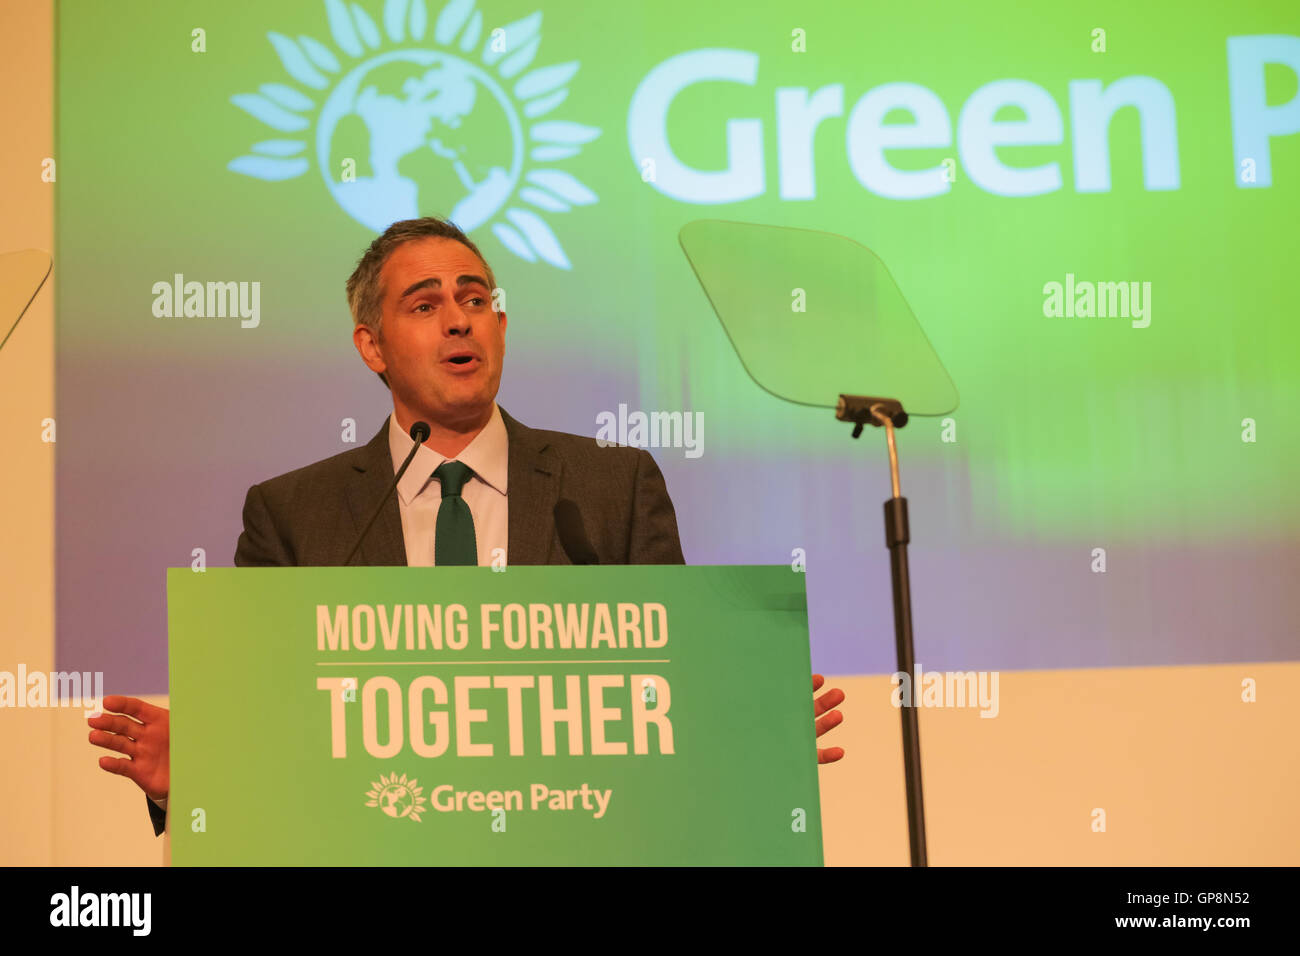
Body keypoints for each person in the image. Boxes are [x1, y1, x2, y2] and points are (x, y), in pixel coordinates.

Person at [87, 217, 847, 838]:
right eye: (424, 305)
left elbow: (665, 701)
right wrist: (197, 773)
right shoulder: (294, 515)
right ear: (372, 346)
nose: (459, 319)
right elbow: (269, 732)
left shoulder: (610, 488)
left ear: (501, 325)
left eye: (475, 299)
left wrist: (745, 740)